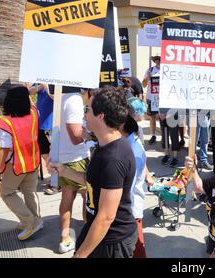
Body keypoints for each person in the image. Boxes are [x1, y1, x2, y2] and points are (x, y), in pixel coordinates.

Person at [49, 87, 137, 258]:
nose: (83, 115)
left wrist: (80, 255)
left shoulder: (114, 158)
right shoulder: (102, 145)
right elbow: (92, 182)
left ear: (101, 116)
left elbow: (106, 217)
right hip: (96, 231)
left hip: (112, 241)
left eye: (87, 109)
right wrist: (64, 170)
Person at [0, 85, 42, 240]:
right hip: (33, 162)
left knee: (6, 192)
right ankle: (36, 219)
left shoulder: (5, 123)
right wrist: (27, 92)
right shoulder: (34, 113)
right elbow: (31, 104)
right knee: (29, 192)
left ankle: (29, 222)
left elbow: (4, 149)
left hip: (16, 166)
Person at [52, 90, 91, 254]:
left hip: (63, 156)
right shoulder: (74, 100)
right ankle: (87, 235)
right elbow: (75, 137)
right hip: (77, 158)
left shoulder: (60, 98)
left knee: (67, 198)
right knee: (88, 197)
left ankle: (65, 238)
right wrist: (91, 134)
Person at [121, 114, 153, 258]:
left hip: (131, 211)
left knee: (137, 250)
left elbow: (127, 186)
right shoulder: (131, 143)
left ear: (122, 128)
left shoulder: (132, 151)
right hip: (131, 208)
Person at [28, 83, 58, 194]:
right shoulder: (41, 80)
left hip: (51, 124)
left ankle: (57, 182)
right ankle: (56, 176)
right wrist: (40, 86)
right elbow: (30, 91)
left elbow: (56, 98)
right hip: (40, 123)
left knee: (54, 153)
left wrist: (47, 88)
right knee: (44, 152)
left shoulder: (57, 83)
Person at [142, 56, 161, 144]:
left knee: (163, 117)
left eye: (159, 59)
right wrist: (147, 78)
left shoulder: (167, 69)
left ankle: (164, 136)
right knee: (152, 117)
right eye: (156, 59)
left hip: (162, 98)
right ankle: (153, 135)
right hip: (151, 97)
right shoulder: (150, 70)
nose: (158, 61)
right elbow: (144, 85)